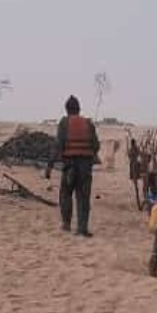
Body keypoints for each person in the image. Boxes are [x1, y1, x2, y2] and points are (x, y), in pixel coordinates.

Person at [47, 95, 100, 237]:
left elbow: (58, 145)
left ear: (67, 110)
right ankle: (82, 228)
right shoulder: (89, 123)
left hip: (70, 165)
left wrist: (50, 166)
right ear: (78, 109)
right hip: (85, 166)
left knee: (66, 193)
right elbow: (96, 145)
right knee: (83, 197)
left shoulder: (64, 123)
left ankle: (66, 224)